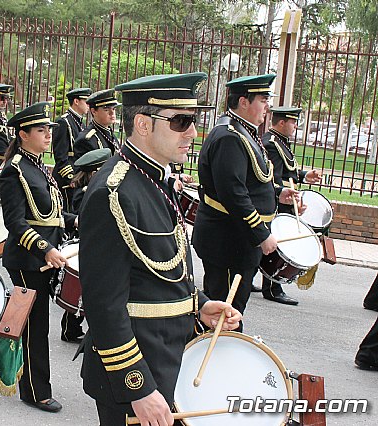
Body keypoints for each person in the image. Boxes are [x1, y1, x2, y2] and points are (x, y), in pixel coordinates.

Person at [78, 73, 242, 426]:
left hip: (168, 357)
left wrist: (199, 305)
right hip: (136, 373)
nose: (193, 133)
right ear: (142, 124)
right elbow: (104, 306)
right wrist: (137, 388)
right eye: (181, 121)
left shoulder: (152, 178)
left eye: (194, 121)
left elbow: (158, 270)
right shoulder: (115, 192)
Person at [192, 74, 300, 330]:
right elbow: (233, 193)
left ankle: (225, 355)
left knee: (232, 311)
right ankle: (215, 361)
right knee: (225, 314)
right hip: (229, 241)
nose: (267, 107)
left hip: (238, 240)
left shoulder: (243, 131)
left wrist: (277, 192)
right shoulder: (230, 136)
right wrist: (261, 233)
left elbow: (251, 180)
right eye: (263, 100)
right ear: (243, 101)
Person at [0, 102, 77, 413]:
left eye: (48, 130)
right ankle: (34, 390)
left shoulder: (35, 165)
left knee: (29, 322)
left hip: (46, 256)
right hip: (27, 260)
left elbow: (51, 214)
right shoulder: (14, 171)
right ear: (23, 134)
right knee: (34, 326)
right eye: (41, 130)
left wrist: (75, 221)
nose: (48, 134)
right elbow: (15, 223)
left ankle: (19, 373)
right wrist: (45, 248)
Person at [260, 106, 321, 305]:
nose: (295, 126)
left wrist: (304, 175)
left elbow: (288, 172)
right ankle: (272, 288)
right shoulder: (271, 144)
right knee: (277, 246)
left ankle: (249, 278)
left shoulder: (280, 142)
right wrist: (289, 196)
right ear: (281, 123)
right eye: (293, 122)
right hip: (277, 202)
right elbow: (272, 179)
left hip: (285, 199)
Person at [57, 148, 111, 344]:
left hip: (95, 242)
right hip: (87, 243)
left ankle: (72, 328)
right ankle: (69, 328)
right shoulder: (85, 192)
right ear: (95, 172)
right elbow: (84, 217)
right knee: (82, 288)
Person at [51, 87, 92, 212]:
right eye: (86, 101)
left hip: (78, 175)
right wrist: (71, 177)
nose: (88, 106)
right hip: (67, 178)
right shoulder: (64, 122)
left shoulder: (79, 122)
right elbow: (60, 155)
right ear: (76, 101)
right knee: (67, 211)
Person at [73, 89, 121, 160]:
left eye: (113, 109)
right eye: (106, 110)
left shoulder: (110, 134)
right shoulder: (86, 140)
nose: (112, 113)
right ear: (94, 111)